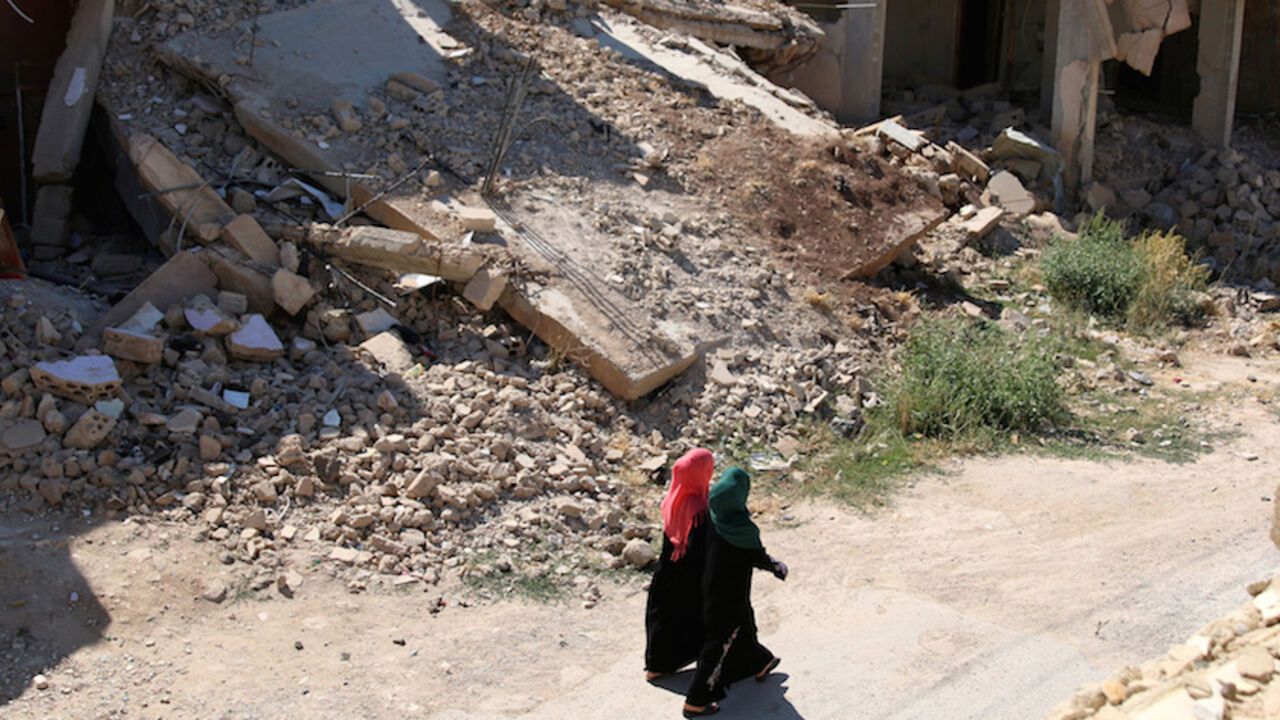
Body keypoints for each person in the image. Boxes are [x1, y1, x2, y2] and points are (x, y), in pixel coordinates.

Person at [682, 467, 787, 718]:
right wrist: (776, 566)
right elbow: (757, 556)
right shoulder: (742, 529)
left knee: (745, 627)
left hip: (710, 589)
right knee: (719, 643)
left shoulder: (711, 517)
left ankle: (760, 662)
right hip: (730, 597)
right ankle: (696, 700)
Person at [644, 448, 716, 679]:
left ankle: (656, 665)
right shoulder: (698, 507)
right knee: (694, 616)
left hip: (666, 573)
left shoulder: (672, 499)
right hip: (691, 575)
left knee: (663, 618)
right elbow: (702, 546)